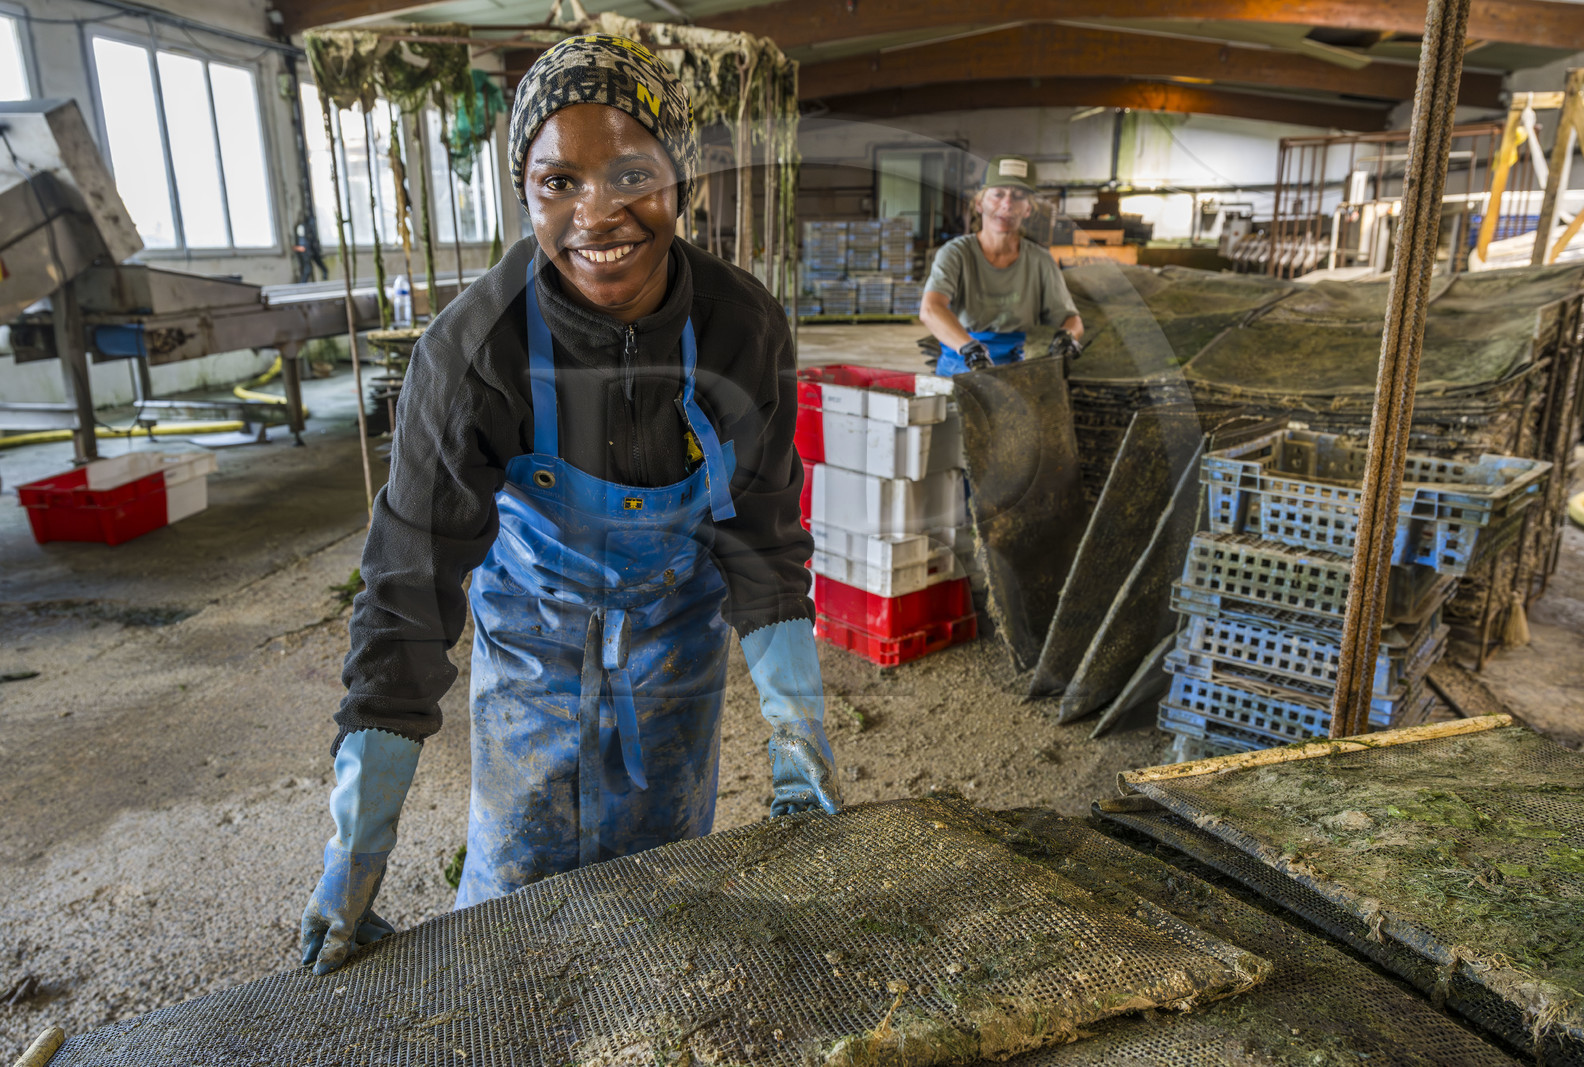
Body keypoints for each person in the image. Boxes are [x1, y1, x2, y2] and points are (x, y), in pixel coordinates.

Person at [298, 33, 843, 976]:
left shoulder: (739, 327)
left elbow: (761, 537)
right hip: (535, 665)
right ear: (525, 194)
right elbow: (406, 596)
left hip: (679, 653)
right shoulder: (474, 354)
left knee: (672, 916)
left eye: (632, 171)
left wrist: (801, 743)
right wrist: (357, 849)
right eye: (559, 182)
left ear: (680, 176)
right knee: (515, 930)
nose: (599, 214)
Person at [919, 155, 1084, 376]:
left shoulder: (1040, 261)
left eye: (1018, 196)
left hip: (1016, 368)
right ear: (979, 203)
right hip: (960, 365)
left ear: (1028, 209)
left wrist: (1068, 336)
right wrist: (970, 349)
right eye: (998, 194)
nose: (1007, 204)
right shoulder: (956, 253)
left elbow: (1072, 319)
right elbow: (931, 309)